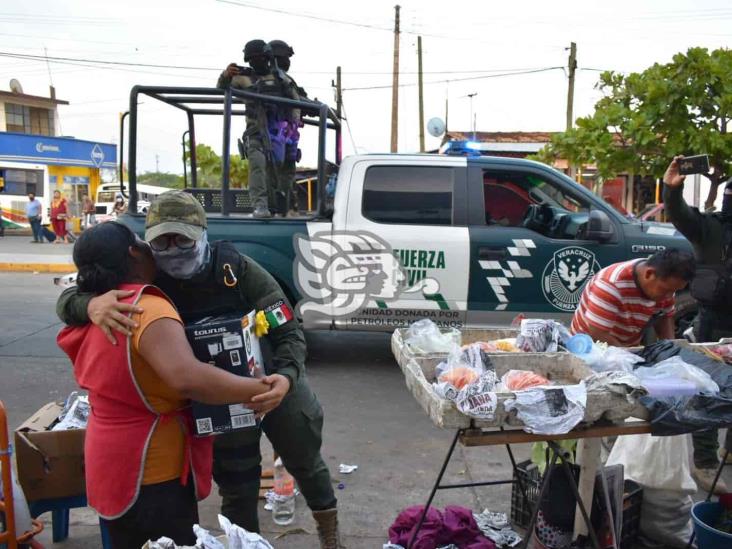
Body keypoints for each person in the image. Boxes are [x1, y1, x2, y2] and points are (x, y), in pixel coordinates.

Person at [56, 191, 343, 548]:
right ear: (147, 244)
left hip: (271, 379)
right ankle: (245, 542)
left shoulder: (237, 271)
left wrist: (285, 378)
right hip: (216, 393)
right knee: (237, 483)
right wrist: (90, 304)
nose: (173, 250)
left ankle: (329, 532)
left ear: (202, 233)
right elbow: (71, 295)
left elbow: (286, 330)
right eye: (163, 240)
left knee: (305, 460)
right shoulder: (148, 274)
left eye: (183, 239)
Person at [57, 221, 269, 548]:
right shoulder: (145, 307)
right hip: (152, 468)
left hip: (107, 460)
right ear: (133, 252)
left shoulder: (98, 308)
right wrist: (259, 389)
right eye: (143, 241)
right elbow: (187, 377)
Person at [663, 155, 731, 493]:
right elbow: (681, 216)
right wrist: (672, 191)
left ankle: (728, 451)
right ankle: (704, 460)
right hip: (713, 322)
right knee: (709, 388)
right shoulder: (711, 227)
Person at [217, 39, 302, 218]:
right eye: (253, 59)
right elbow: (221, 90)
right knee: (258, 167)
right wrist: (226, 75)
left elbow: (296, 102)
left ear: (268, 57)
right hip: (256, 133)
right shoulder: (243, 77)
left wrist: (293, 128)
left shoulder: (280, 78)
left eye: (261, 58)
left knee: (280, 174)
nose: (258, 62)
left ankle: (282, 207)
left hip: (280, 135)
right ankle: (260, 206)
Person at [571, 248, 695, 347]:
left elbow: (665, 317)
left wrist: (670, 348)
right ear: (649, 274)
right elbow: (597, 333)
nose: (669, 296)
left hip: (625, 348)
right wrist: (627, 358)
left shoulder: (665, 282)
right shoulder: (610, 284)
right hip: (588, 349)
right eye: (666, 290)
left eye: (674, 291)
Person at [268, 39, 306, 216]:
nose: (288, 62)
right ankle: (276, 208)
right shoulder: (269, 79)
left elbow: (298, 98)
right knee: (274, 174)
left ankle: (288, 207)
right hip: (273, 134)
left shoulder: (286, 79)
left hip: (289, 133)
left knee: (288, 173)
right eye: (285, 58)